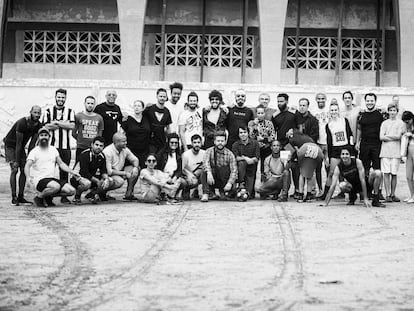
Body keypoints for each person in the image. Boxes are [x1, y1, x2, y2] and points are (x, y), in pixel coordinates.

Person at [24, 127, 79, 207]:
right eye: (41, 135)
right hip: (39, 180)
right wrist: (28, 178)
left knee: (71, 191)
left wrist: (72, 172)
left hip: (51, 179)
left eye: (46, 135)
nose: (43, 137)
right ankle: (39, 197)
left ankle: (47, 196)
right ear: (38, 137)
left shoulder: (53, 149)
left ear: (49, 137)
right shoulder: (34, 151)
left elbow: (61, 164)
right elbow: (27, 165)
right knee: (56, 186)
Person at [41, 88, 75, 204]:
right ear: (55, 97)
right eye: (59, 97)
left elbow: (71, 126)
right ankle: (48, 196)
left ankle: (64, 195)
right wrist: (63, 124)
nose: (61, 99)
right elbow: (45, 126)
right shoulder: (48, 111)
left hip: (65, 147)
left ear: (65, 98)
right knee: (49, 170)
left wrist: (57, 123)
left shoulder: (70, 111)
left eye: (63, 97)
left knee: (64, 172)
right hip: (51, 147)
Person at [4, 105, 42, 205]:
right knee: (15, 169)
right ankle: (14, 197)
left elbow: (32, 144)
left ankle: (21, 196)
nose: (37, 115)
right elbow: (18, 144)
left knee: (25, 170)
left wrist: (30, 159)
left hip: (20, 147)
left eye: (39, 113)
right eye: (35, 112)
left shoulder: (38, 125)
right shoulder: (22, 123)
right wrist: (16, 161)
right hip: (11, 145)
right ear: (30, 112)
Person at [318, 102, 353, 200]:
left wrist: (351, 149)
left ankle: (352, 193)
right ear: (330, 112)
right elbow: (329, 142)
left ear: (338, 111)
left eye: (335, 110)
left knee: (349, 172)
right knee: (331, 172)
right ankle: (325, 194)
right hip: (335, 150)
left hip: (345, 147)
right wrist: (328, 157)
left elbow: (350, 134)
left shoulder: (344, 121)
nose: (334, 112)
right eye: (332, 110)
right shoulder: (329, 125)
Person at [356, 93, 386, 199]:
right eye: (368, 101)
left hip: (377, 144)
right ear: (365, 102)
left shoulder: (381, 114)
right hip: (364, 144)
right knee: (365, 169)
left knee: (378, 169)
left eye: (372, 100)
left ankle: (378, 192)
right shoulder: (361, 114)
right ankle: (367, 192)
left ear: (375, 101)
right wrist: (357, 142)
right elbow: (359, 129)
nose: (370, 102)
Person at [70, 136, 113, 204]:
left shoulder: (102, 156)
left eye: (101, 146)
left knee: (110, 181)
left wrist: (106, 179)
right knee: (87, 183)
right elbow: (84, 173)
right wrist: (97, 181)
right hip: (77, 177)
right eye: (96, 145)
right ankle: (77, 196)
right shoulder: (85, 154)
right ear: (92, 145)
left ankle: (90, 195)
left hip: (91, 177)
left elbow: (103, 171)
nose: (98, 147)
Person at [201, 131, 237, 202]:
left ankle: (223, 192)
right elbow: (205, 163)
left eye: (222, 141)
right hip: (212, 178)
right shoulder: (209, 151)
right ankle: (206, 193)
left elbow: (234, 170)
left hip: (224, 179)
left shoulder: (230, 154)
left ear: (225, 142)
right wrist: (209, 173)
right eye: (218, 141)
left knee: (226, 198)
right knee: (204, 171)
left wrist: (230, 183)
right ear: (214, 141)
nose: (220, 143)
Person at [380, 103, 406, 202]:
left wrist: (388, 136)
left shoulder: (401, 123)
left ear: (397, 111)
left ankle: (393, 194)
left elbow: (398, 136)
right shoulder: (384, 123)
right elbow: (381, 137)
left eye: (394, 110)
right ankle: (387, 194)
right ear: (388, 111)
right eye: (390, 110)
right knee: (386, 173)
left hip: (396, 151)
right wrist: (392, 136)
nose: (392, 112)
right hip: (385, 151)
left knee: (394, 173)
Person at [103, 132, 140, 201]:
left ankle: (129, 194)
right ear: (116, 142)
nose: (126, 143)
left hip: (118, 172)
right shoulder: (108, 151)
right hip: (106, 175)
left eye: (126, 141)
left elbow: (135, 159)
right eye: (123, 141)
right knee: (120, 181)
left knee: (137, 168)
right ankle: (101, 192)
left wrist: (135, 167)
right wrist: (125, 173)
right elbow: (109, 171)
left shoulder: (124, 149)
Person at [248, 104, 276, 179]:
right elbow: (250, 136)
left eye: (262, 113)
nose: (260, 115)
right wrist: (254, 125)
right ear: (256, 114)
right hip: (254, 148)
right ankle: (251, 189)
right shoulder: (251, 123)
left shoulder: (269, 123)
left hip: (266, 147)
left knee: (264, 168)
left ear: (265, 114)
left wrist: (264, 139)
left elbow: (273, 136)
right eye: (258, 113)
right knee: (252, 168)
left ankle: (263, 186)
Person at [72, 95, 104, 162]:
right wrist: (80, 139)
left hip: (93, 148)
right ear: (84, 104)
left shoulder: (99, 118)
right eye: (88, 103)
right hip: (81, 147)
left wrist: (96, 144)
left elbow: (100, 134)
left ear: (94, 105)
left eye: (92, 103)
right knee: (78, 167)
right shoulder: (78, 116)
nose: (90, 105)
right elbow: (73, 132)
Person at [310, 92, 330, 196]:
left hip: (328, 143)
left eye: (323, 98)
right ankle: (319, 189)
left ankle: (327, 190)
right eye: (319, 98)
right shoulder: (313, 110)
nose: (321, 100)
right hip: (317, 142)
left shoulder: (330, 110)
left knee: (328, 167)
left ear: (325, 99)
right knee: (317, 167)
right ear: (316, 99)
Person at [232, 126, 260, 198]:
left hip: (251, 169)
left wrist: (251, 160)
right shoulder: (235, 144)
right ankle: (241, 183)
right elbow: (235, 157)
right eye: (241, 133)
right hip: (240, 169)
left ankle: (249, 189)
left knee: (249, 194)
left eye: (244, 132)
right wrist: (245, 158)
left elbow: (256, 158)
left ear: (248, 133)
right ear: (238, 134)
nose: (243, 134)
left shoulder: (255, 143)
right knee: (242, 162)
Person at [121, 99, 151, 166]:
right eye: (135, 106)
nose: (136, 107)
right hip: (131, 150)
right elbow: (121, 134)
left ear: (143, 108)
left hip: (145, 150)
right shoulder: (127, 119)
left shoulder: (147, 118)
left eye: (139, 106)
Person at [156, 133, 184, 202]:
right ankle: (169, 194)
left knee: (181, 181)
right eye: (172, 142)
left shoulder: (179, 155)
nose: (174, 144)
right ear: (168, 143)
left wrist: (175, 177)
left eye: (176, 143)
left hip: (173, 177)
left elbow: (179, 170)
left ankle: (170, 194)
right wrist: (165, 177)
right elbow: (157, 167)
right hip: (162, 176)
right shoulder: (162, 153)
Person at [145, 88, 172, 153]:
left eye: (164, 96)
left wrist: (169, 140)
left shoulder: (167, 111)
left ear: (166, 98)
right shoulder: (150, 109)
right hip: (150, 141)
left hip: (162, 141)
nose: (162, 98)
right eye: (160, 96)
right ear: (157, 96)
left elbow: (168, 128)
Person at [181, 134, 205, 200]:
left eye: (198, 142)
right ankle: (186, 190)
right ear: (191, 143)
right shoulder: (186, 154)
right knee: (191, 181)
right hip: (189, 175)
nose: (197, 144)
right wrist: (189, 174)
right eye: (194, 142)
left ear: (201, 143)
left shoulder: (204, 153)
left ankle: (204, 192)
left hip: (199, 174)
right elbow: (182, 169)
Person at [401, 111, 414, 202]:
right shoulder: (406, 126)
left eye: (408, 121)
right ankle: (412, 195)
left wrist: (412, 135)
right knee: (408, 175)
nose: (406, 123)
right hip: (409, 151)